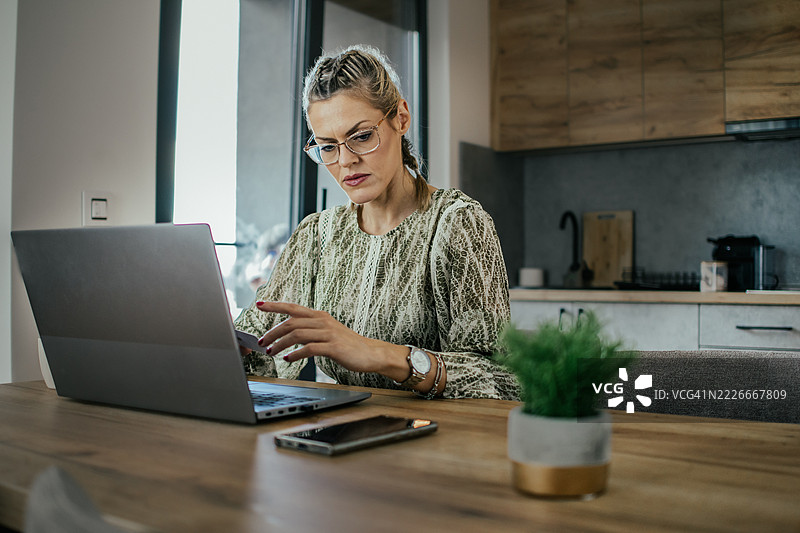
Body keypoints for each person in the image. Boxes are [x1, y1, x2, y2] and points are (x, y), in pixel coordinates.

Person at [235, 44, 519, 400]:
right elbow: (254, 348)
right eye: (328, 147)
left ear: (401, 118)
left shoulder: (456, 224)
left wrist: (381, 354)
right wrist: (223, 344)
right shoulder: (315, 237)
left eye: (362, 137)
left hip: (437, 440)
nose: (346, 161)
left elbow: (499, 381)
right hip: (341, 432)